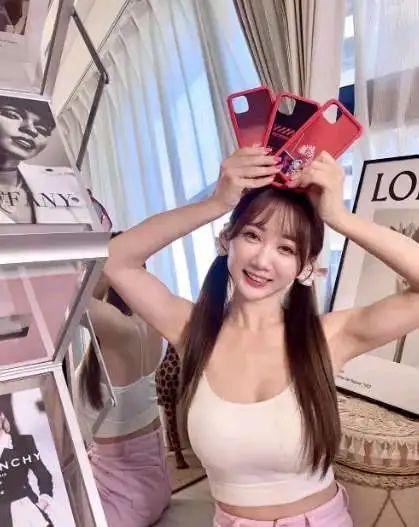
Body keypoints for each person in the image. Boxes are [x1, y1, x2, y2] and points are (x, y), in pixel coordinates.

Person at [103, 147, 419, 526]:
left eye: (286, 248)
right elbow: (115, 260)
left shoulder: (329, 337)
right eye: (252, 235)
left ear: (305, 267)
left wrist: (338, 217)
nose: (262, 260)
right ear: (227, 241)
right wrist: (216, 203)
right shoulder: (192, 330)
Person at [76, 239, 171, 527]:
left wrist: (101, 272)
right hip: (152, 487)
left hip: (120, 498)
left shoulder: (119, 328)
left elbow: (64, 294)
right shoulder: (153, 320)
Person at [0, 394, 54, 527]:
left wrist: (40, 504)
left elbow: (44, 475)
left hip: (30, 513)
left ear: (2, 415)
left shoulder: (24, 442)